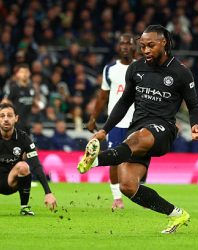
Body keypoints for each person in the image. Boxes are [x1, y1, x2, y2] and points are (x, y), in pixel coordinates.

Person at [77, 25, 198, 234]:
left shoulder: (181, 72)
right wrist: (105, 130)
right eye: (143, 46)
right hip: (137, 127)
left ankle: (96, 160)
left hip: (163, 128)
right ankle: (177, 214)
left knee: (138, 139)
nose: (145, 50)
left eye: (150, 45)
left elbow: (194, 105)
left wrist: (196, 125)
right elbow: (124, 102)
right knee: (127, 186)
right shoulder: (136, 69)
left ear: (163, 43)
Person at [86, 33, 136, 211]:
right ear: (118, 47)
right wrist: (93, 117)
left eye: (128, 43)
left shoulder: (142, 68)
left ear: (134, 47)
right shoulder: (110, 69)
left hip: (137, 121)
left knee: (139, 157)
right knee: (114, 159)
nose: (125, 46)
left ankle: (140, 192)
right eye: (122, 43)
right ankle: (117, 198)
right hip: (116, 123)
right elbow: (102, 96)